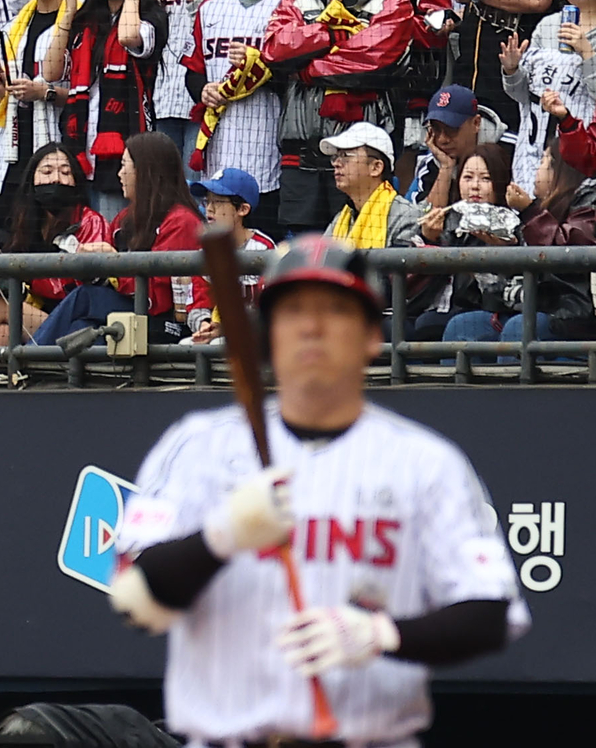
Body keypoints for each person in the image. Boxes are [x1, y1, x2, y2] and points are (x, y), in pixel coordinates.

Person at [105, 234, 529, 740]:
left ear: (372, 335)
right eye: (293, 311)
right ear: (268, 334)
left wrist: (380, 633)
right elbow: (135, 601)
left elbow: (489, 613)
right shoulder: (198, 447)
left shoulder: (426, 463)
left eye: (334, 309)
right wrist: (223, 536)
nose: (311, 327)